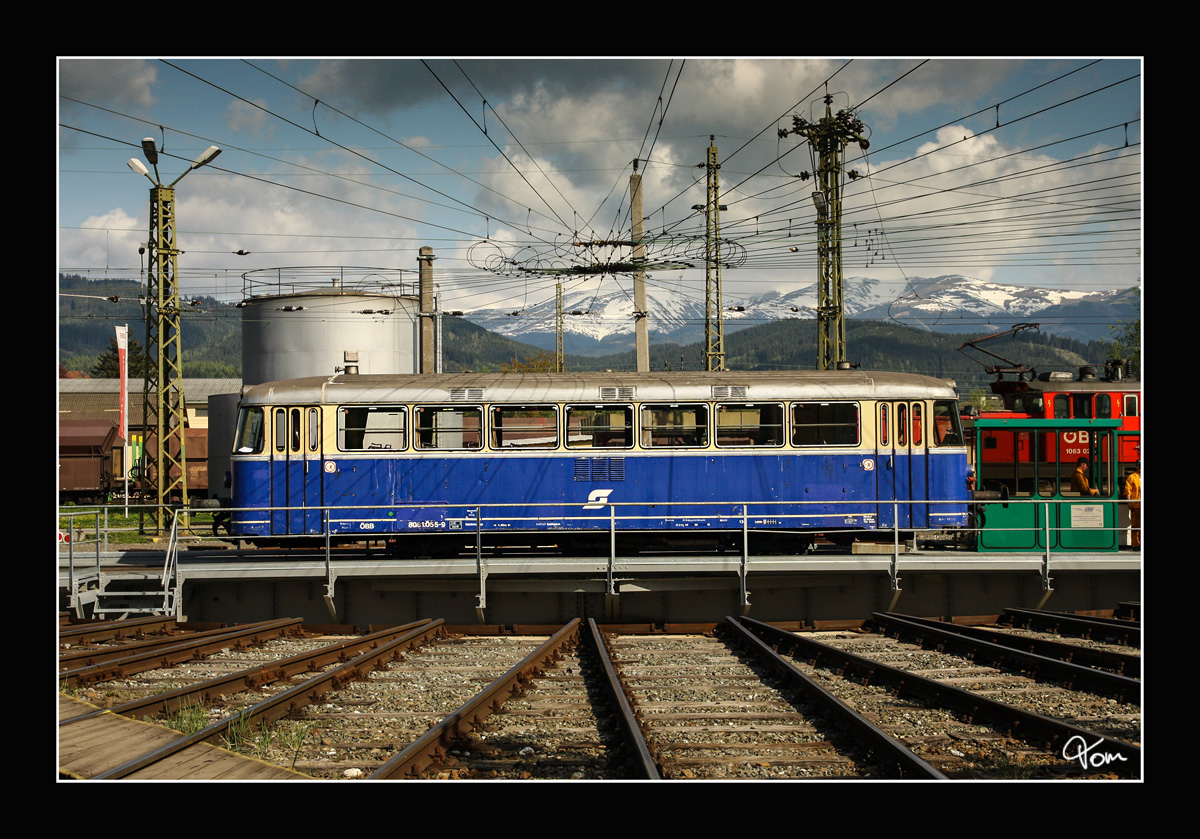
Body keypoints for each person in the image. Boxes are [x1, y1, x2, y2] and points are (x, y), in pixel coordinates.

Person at [1123, 462, 1141, 549]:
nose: (1140, 467)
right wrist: (1129, 502)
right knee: (1135, 525)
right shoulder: (1132, 477)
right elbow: (1128, 490)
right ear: (1137, 466)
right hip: (1136, 505)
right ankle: (1135, 544)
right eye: (1139, 465)